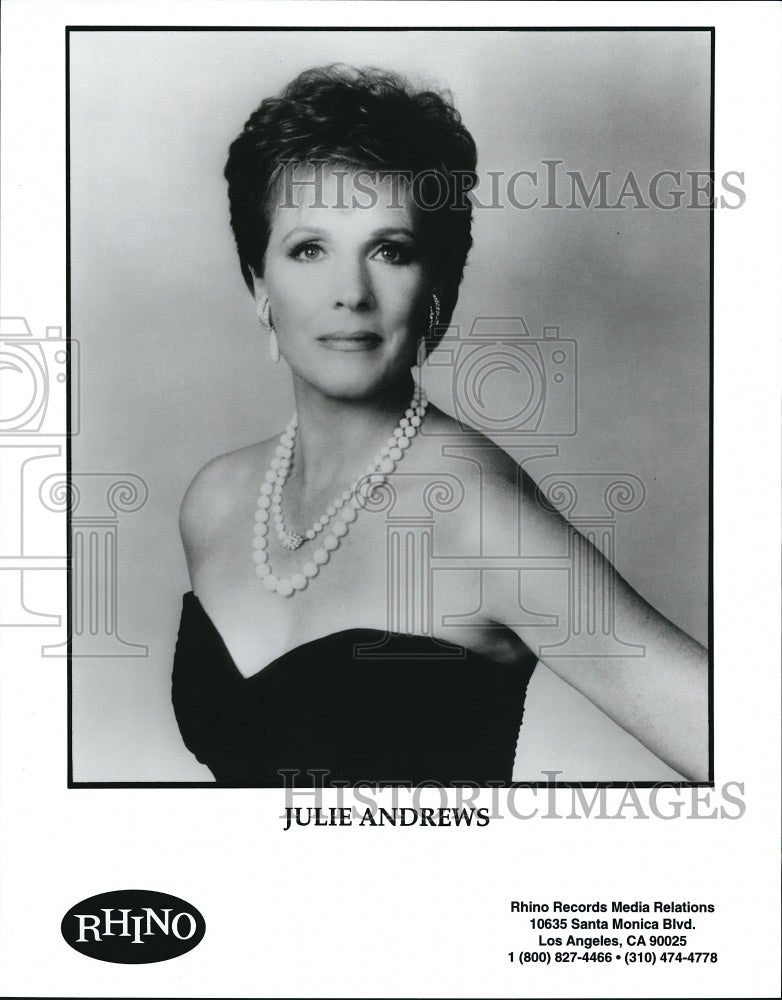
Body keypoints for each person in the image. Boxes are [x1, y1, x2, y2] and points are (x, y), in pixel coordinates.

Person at [173, 65, 708, 787]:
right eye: (309, 249)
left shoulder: (477, 515)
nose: (350, 294)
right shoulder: (217, 501)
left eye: (390, 250)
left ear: (438, 293)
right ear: (259, 285)